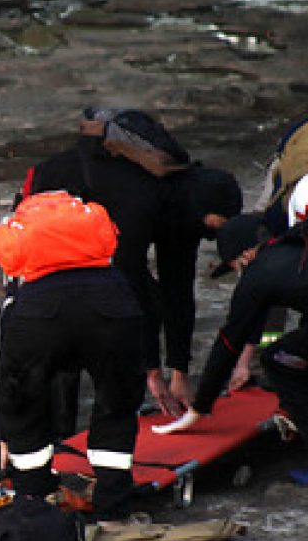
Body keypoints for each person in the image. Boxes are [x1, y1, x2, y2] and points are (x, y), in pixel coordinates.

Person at [24, 107, 242, 420]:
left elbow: (178, 290)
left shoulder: (185, 203)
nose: (211, 237)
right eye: (214, 227)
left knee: (156, 296)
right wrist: (153, 373)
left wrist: (180, 374)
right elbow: (132, 286)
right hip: (54, 215)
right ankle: (60, 428)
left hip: (118, 210)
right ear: (204, 211)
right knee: (75, 316)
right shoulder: (138, 205)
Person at [154, 206, 308, 489]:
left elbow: (228, 343)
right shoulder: (305, 242)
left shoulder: (259, 274)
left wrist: (200, 407)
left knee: (280, 363)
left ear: (246, 254)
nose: (239, 273)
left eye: (236, 267)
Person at [0, 190, 145, 519]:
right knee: (116, 403)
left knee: (24, 403)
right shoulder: (92, 229)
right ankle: (113, 508)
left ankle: (35, 503)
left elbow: (11, 365)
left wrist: (7, 426)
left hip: (38, 315)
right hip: (111, 307)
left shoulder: (16, 231)